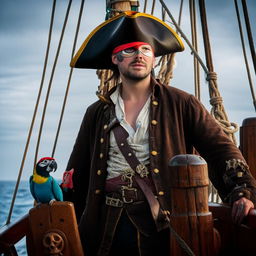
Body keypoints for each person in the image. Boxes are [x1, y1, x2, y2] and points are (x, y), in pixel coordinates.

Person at [62, 11, 256, 256]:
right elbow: (77, 169)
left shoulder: (182, 103)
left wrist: (242, 191)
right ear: (115, 58)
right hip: (105, 222)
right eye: (130, 50)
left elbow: (220, 149)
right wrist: (60, 207)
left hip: (164, 223)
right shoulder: (97, 112)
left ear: (154, 57)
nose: (139, 55)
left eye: (145, 49)